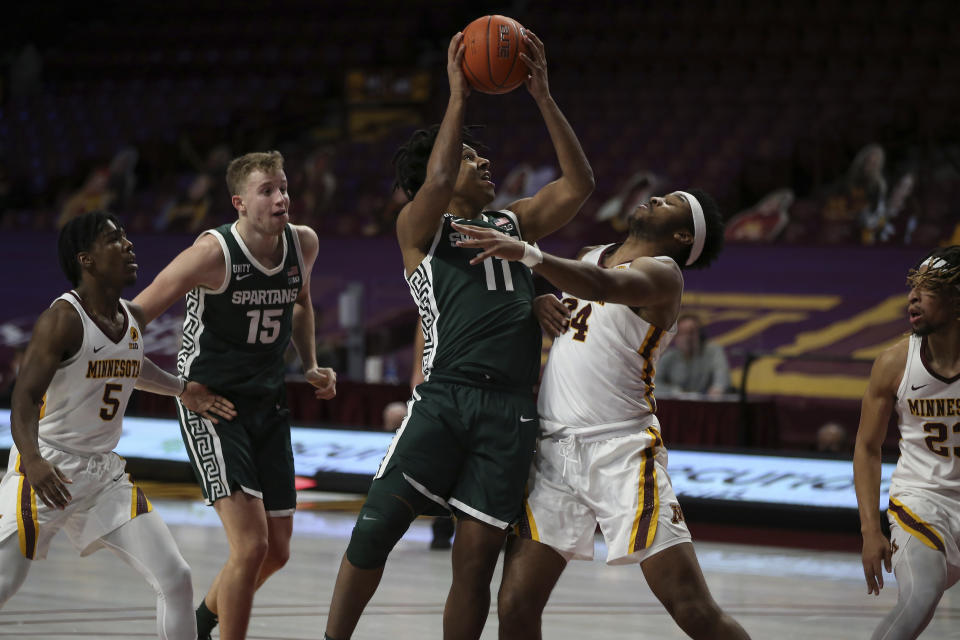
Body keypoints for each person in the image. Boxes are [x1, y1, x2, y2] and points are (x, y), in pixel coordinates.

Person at [324, 29, 594, 640]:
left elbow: (579, 187)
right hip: (444, 398)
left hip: (511, 412)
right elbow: (440, 178)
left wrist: (544, 97)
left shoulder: (514, 221)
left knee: (473, 569)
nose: (486, 162)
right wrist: (457, 97)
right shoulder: (419, 229)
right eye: (474, 157)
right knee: (373, 533)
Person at [454, 189, 750, 639]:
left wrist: (528, 254)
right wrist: (536, 302)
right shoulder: (589, 256)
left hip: (622, 451)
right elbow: (579, 288)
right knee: (514, 604)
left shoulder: (664, 275)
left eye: (669, 201)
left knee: (691, 607)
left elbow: (603, 287)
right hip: (554, 453)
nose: (654, 197)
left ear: (682, 234)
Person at [0, 211, 237, 639]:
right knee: (3, 583)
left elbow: (130, 365)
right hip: (46, 468)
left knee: (175, 577)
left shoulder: (128, 318)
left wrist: (182, 389)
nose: (129, 246)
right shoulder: (62, 319)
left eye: (126, 236)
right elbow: (23, 399)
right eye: (114, 240)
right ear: (86, 259)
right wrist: (32, 461)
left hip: (102, 476)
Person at [132, 151, 338, 640]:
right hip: (213, 404)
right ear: (240, 203)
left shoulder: (302, 243)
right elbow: (132, 320)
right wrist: (180, 390)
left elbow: (302, 303)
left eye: (284, 187)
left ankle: (202, 622)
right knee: (249, 547)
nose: (281, 197)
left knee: (277, 551)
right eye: (267, 190)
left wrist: (308, 362)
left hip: (267, 402)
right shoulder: (212, 253)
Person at [854, 246, 960, 639]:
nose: (913, 296)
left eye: (929, 288)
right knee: (919, 597)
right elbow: (867, 448)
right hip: (922, 499)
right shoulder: (894, 363)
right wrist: (870, 531)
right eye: (913, 288)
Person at [658, 313, 731, 397]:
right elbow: (653, 384)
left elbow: (722, 379)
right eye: (682, 333)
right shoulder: (669, 357)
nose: (687, 337)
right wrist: (674, 391)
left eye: (691, 332)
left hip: (705, 404)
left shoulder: (713, 351)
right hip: (677, 404)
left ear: (700, 335)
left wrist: (718, 389)